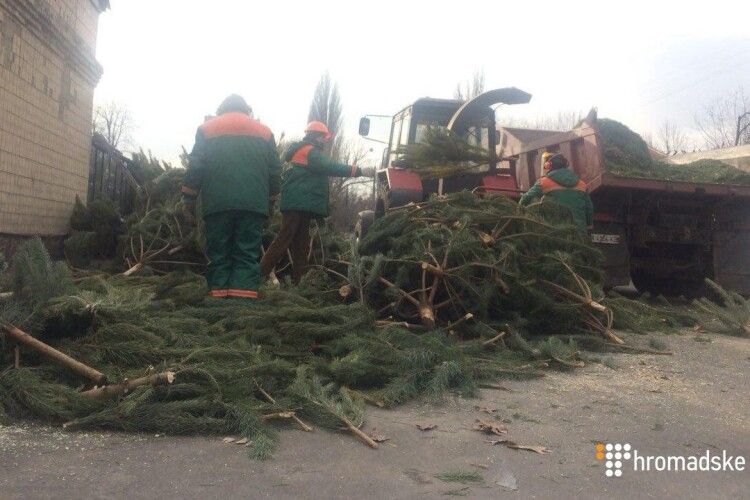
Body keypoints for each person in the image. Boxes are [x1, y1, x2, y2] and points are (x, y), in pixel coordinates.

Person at [181, 94, 281, 300]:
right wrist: (271, 202)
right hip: (253, 206)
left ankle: (217, 306)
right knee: (246, 256)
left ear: (221, 109)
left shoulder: (207, 129)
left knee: (219, 256)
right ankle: (241, 311)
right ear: (247, 109)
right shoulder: (264, 132)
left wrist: (189, 199)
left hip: (218, 205)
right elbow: (274, 172)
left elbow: (196, 167)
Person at [260, 121, 375, 283]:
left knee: (301, 244)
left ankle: (299, 282)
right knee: (284, 239)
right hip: (297, 204)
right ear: (316, 136)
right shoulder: (310, 152)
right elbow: (331, 166)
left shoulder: (303, 150)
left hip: (300, 204)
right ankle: (259, 275)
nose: (324, 140)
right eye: (323, 137)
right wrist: (360, 171)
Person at [519, 152, 594, 232]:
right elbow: (589, 208)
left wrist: (518, 213)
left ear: (549, 166)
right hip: (579, 233)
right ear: (566, 166)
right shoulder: (581, 184)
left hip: (555, 232)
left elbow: (526, 198)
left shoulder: (544, 182)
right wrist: (589, 225)